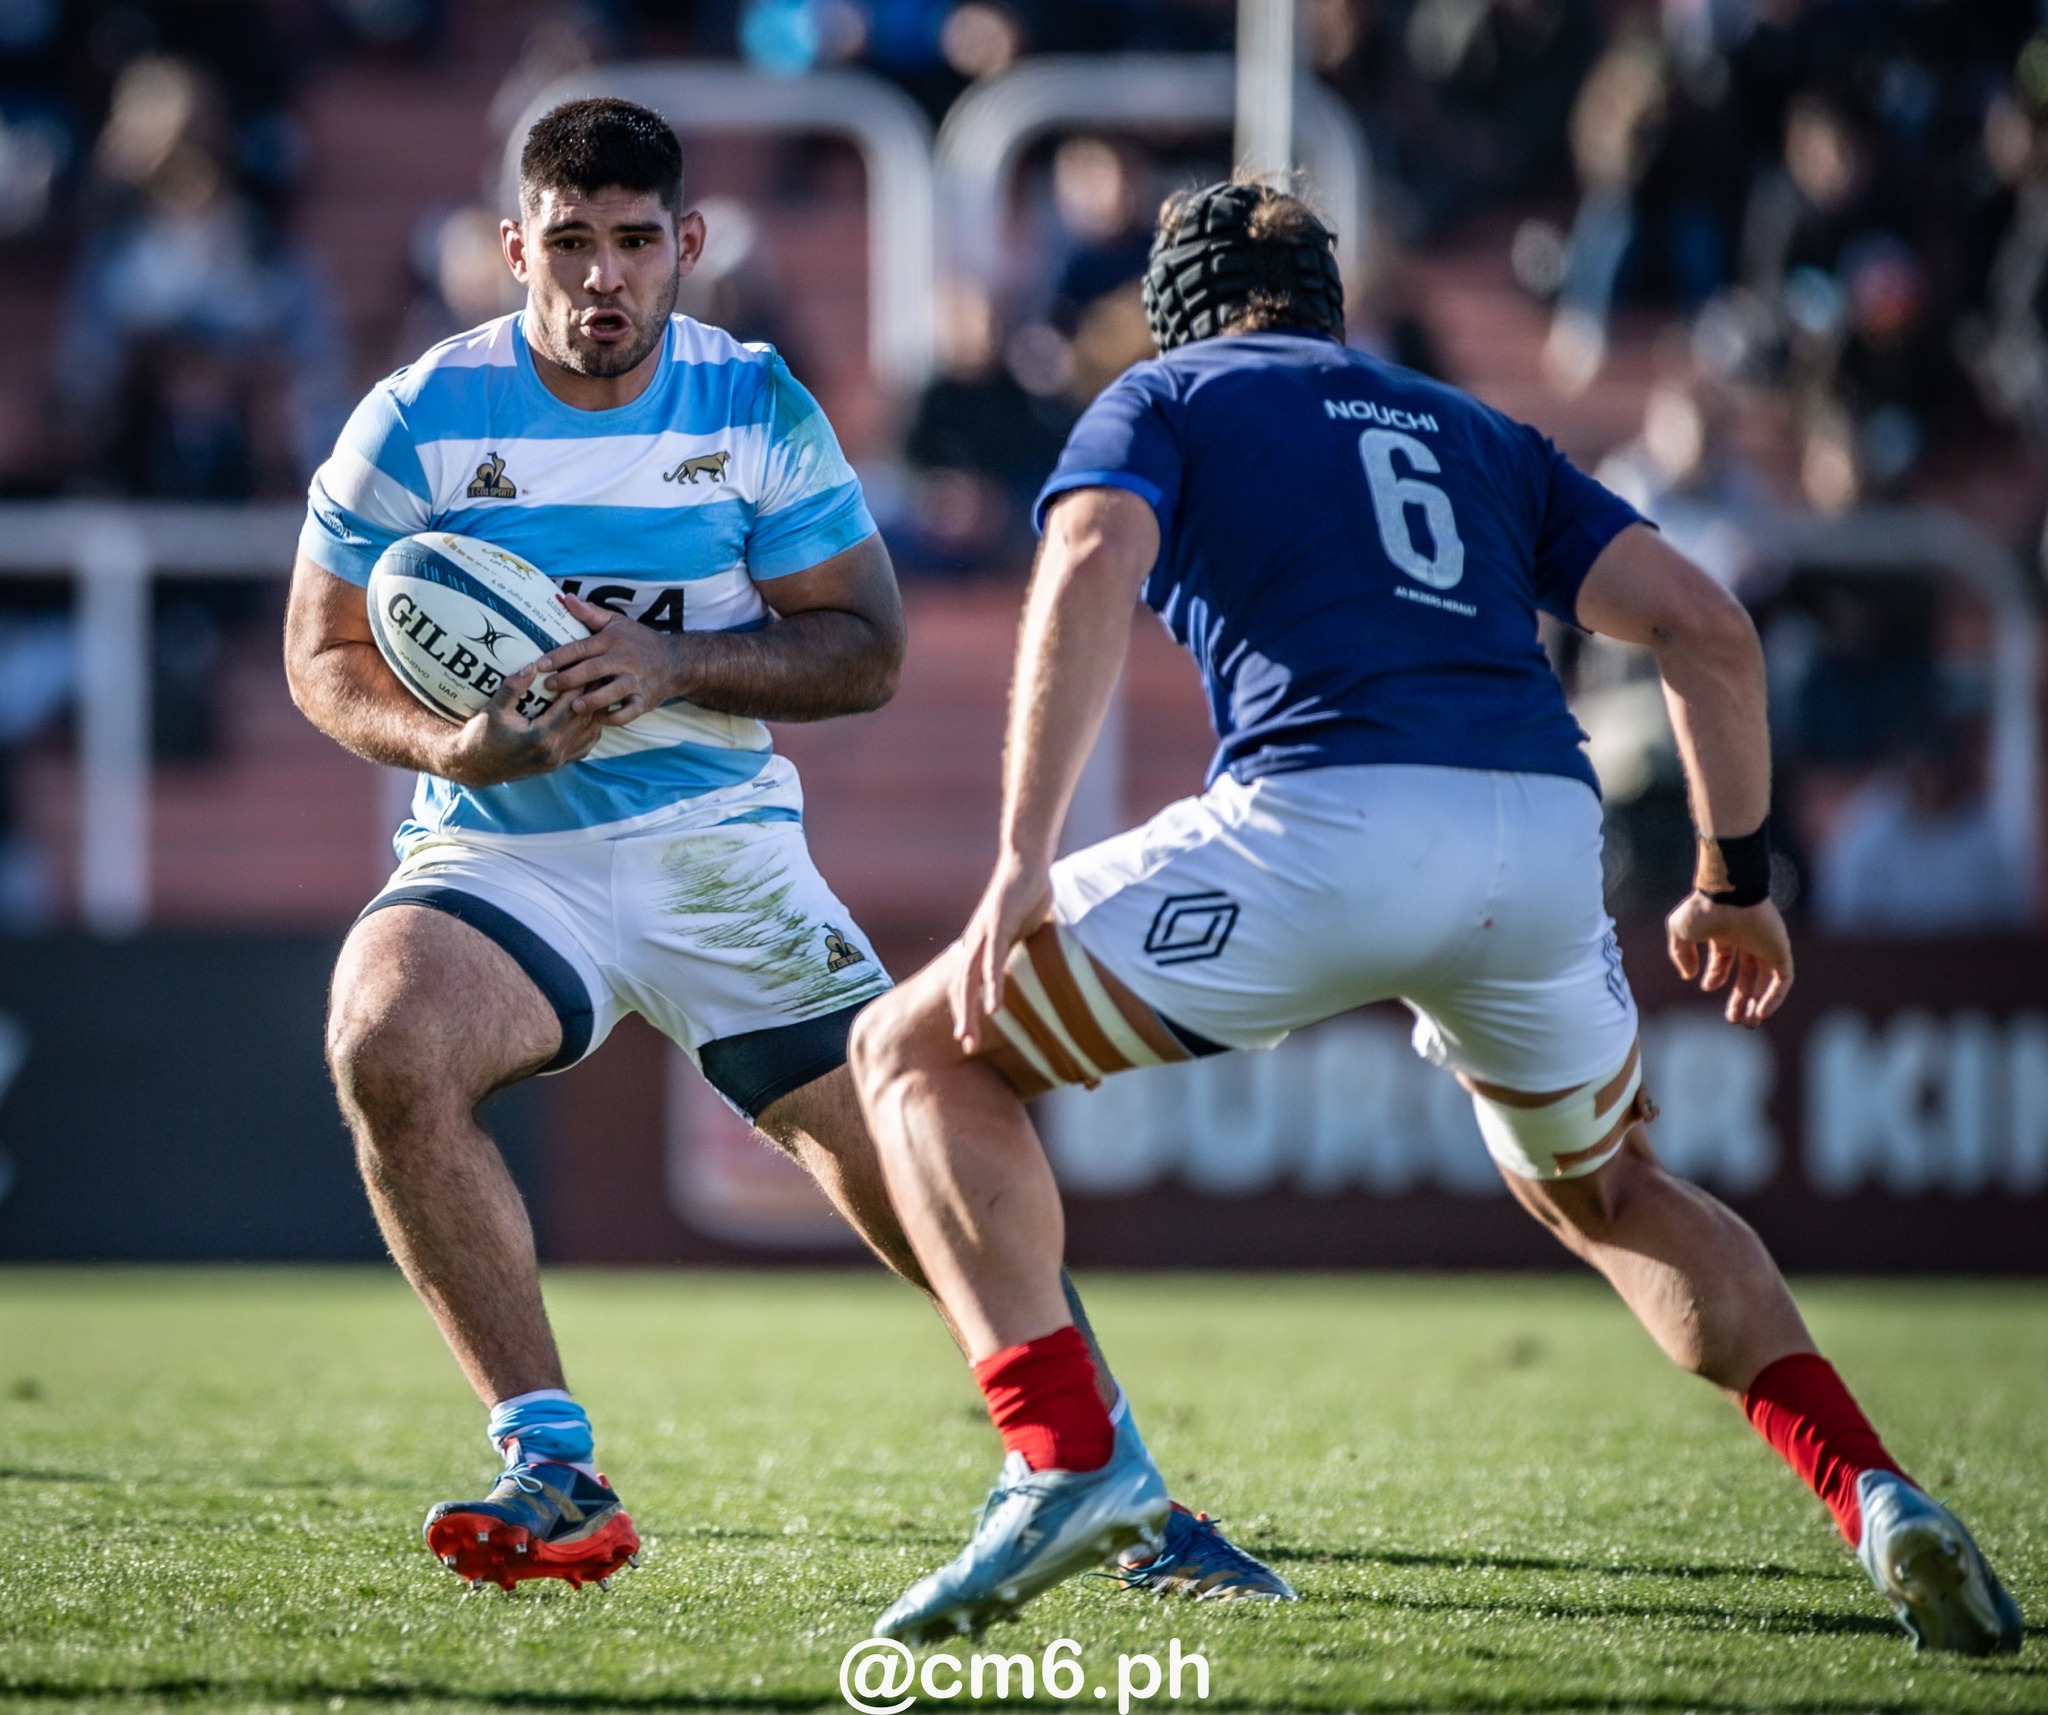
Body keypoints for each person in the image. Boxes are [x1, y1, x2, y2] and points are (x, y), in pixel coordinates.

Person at [848, 179, 2025, 1654]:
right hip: (1539, 834)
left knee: (912, 1054)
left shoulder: (1167, 393)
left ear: (1174, 314)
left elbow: (1088, 555)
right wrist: (1734, 883)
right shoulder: (1475, 429)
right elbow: (1709, 628)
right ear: (1331, 305)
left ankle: (1067, 1454)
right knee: (1611, 1193)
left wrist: (1025, 852)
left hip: (1327, 819)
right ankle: (1874, 1492)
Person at [283, 98, 1288, 1602]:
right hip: (503, 856)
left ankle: (1115, 1483)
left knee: (919, 1155)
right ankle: (553, 1468)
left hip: (719, 853)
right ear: (513, 249)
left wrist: (676, 662)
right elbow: (320, 654)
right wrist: (452, 748)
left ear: (686, 242)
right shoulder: (419, 415)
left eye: (636, 241)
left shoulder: (752, 404)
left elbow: (864, 648)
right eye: (570, 243)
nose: (603, 276)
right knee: (383, 1035)